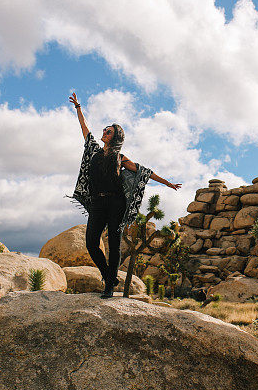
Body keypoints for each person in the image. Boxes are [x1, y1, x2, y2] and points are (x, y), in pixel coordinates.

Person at [67, 92, 181, 298]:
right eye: (104, 130)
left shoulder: (120, 157)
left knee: (115, 243)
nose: (104, 132)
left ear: (115, 136)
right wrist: (78, 108)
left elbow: (144, 171)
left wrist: (168, 183)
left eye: (108, 131)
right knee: (91, 243)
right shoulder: (93, 150)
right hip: (97, 203)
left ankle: (109, 287)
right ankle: (110, 276)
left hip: (116, 202)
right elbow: (84, 129)